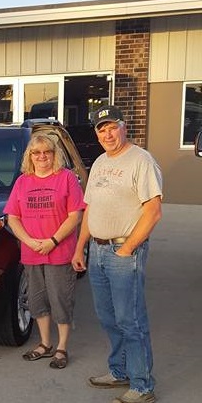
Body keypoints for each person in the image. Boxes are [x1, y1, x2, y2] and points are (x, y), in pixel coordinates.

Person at [72, 105, 162, 403]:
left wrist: (127, 248)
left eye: (112, 127)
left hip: (124, 250)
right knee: (108, 317)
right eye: (101, 129)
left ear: (124, 127)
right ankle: (120, 370)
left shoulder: (141, 160)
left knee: (130, 319)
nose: (107, 133)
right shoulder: (98, 162)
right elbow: (89, 209)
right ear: (96, 134)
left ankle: (142, 385)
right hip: (97, 250)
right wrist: (80, 247)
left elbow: (153, 211)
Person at [4, 133, 85, 370]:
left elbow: (75, 215)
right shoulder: (22, 182)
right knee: (37, 299)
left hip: (59, 251)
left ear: (54, 154)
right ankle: (45, 344)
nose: (42, 157)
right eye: (36, 153)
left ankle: (61, 347)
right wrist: (28, 241)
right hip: (32, 252)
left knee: (60, 299)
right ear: (30, 156)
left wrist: (53, 240)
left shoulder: (66, 178)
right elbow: (13, 217)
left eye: (46, 152)